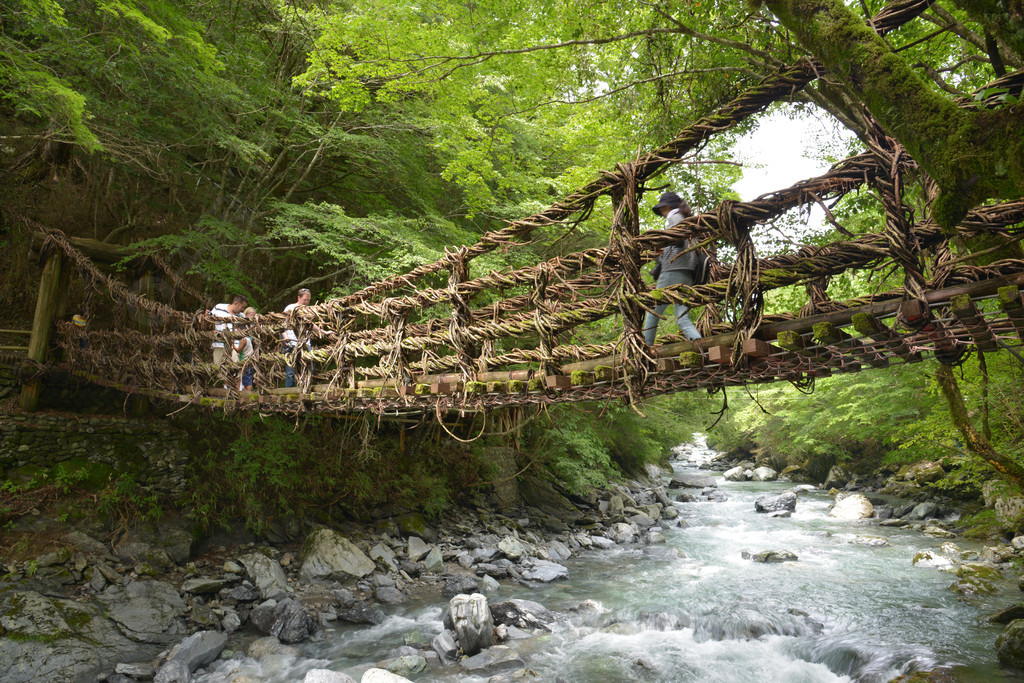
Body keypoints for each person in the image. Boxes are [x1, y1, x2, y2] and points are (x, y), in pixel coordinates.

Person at [643, 192, 702, 345]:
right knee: (682, 318)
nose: (662, 214)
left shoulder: (674, 217)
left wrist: (660, 244)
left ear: (667, 207)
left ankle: (644, 349)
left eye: (662, 210)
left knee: (652, 312)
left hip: (672, 270)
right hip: (687, 271)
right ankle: (702, 348)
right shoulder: (685, 218)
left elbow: (677, 241)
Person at [282, 288, 311, 388]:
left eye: (308, 300)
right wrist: (286, 337)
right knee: (291, 370)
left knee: (308, 368)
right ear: (299, 298)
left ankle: (305, 390)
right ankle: (289, 394)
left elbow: (311, 325)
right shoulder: (290, 308)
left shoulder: (307, 310)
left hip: (305, 343)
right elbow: (282, 323)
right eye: (305, 300)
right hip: (292, 342)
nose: (306, 302)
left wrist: (323, 331)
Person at [210, 294, 248, 365]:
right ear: (236, 304)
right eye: (242, 307)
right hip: (219, 344)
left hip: (233, 347)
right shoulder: (219, 307)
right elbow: (209, 319)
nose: (243, 310)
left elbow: (244, 331)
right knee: (217, 367)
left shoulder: (241, 316)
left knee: (233, 367)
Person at [234, 306, 258, 391]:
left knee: (246, 380)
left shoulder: (244, 339)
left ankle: (247, 396)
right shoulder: (248, 337)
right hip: (249, 360)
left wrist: (232, 345)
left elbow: (238, 350)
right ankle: (244, 395)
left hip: (244, 361)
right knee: (247, 379)